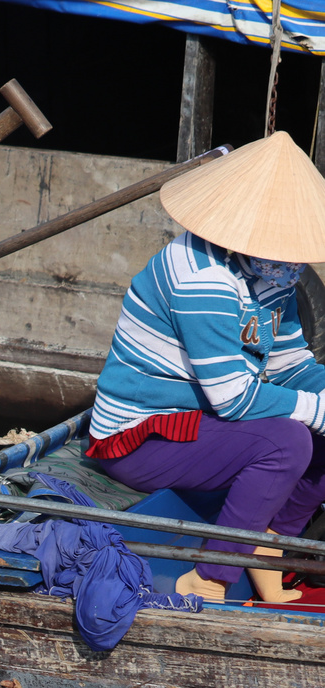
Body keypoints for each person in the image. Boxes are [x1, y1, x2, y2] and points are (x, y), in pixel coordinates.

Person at [86, 131, 325, 604]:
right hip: (139, 437)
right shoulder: (201, 278)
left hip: (203, 424)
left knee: (315, 425)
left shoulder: (270, 272)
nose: (295, 264)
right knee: (290, 441)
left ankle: (272, 543)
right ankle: (210, 576)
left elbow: (289, 361)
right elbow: (234, 397)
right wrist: (317, 411)